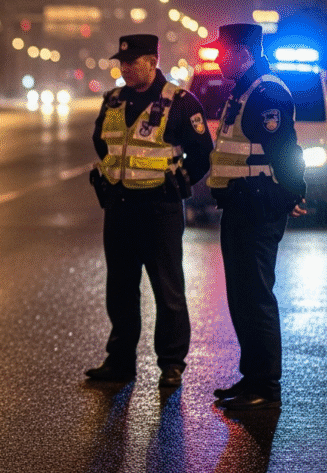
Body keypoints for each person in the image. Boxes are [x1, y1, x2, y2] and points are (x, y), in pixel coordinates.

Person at [87, 34, 213, 387]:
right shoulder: (112, 101)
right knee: (121, 289)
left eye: (132, 62)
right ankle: (120, 362)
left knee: (168, 290)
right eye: (122, 63)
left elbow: (203, 152)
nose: (125, 68)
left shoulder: (180, 102)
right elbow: (103, 143)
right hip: (120, 207)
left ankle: (171, 364)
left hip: (160, 209)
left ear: (152, 62)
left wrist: (180, 180)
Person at [205, 23, 307, 410]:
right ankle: (252, 379)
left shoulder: (266, 91)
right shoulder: (245, 89)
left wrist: (292, 193)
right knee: (242, 295)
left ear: (243, 53)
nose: (218, 58)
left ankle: (265, 386)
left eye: (223, 51)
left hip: (257, 207)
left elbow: (286, 148)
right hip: (239, 205)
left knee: (256, 295)